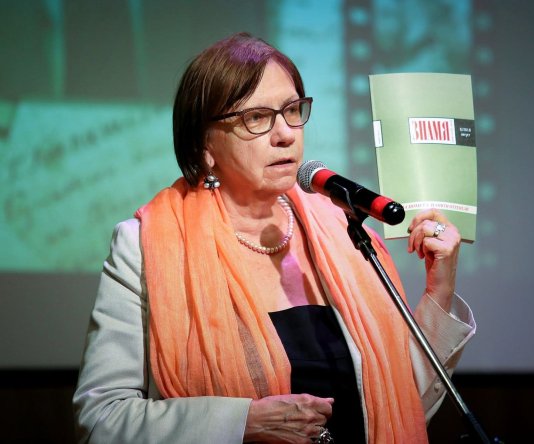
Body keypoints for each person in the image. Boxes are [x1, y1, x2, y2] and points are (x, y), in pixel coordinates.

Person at [73, 32, 475, 444]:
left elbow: (402, 404)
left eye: (292, 110)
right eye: (257, 117)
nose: (285, 134)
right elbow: (101, 419)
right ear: (205, 144)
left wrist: (440, 287)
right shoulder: (145, 247)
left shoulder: (343, 234)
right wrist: (241, 423)